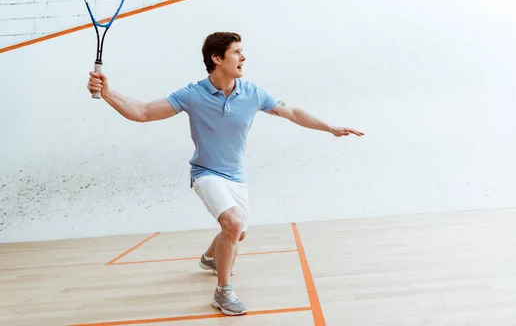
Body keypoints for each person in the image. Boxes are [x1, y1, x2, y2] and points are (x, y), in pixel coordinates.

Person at [87, 32, 363, 316]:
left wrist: (329, 127)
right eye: (237, 52)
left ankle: (209, 258)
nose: (243, 57)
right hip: (206, 173)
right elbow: (144, 112)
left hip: (236, 177)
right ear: (217, 59)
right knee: (232, 224)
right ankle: (223, 292)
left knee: (237, 234)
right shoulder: (192, 94)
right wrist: (108, 92)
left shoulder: (252, 93)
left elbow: (291, 111)